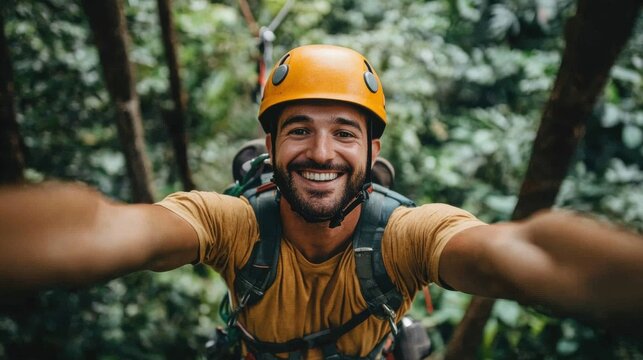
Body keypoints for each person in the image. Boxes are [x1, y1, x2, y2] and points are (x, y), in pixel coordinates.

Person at [1, 45, 642, 359]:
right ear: (272, 146)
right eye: (299, 129)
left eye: (344, 132)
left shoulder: (405, 236)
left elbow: (519, 250)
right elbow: (109, 229)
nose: (321, 152)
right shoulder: (232, 225)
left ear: (370, 152)